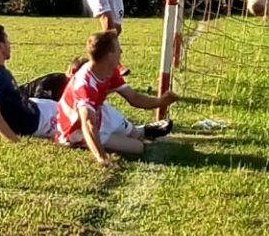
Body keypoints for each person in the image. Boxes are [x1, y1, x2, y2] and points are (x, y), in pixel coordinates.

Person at [55, 29, 177, 166]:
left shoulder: (109, 71)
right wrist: (101, 157)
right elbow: (88, 124)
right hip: (75, 131)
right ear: (109, 55)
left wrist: (160, 101)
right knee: (138, 147)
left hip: (99, 113)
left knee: (135, 135)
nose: (121, 52)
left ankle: (141, 131)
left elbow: (134, 98)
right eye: (118, 49)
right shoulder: (85, 85)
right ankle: (111, 139)